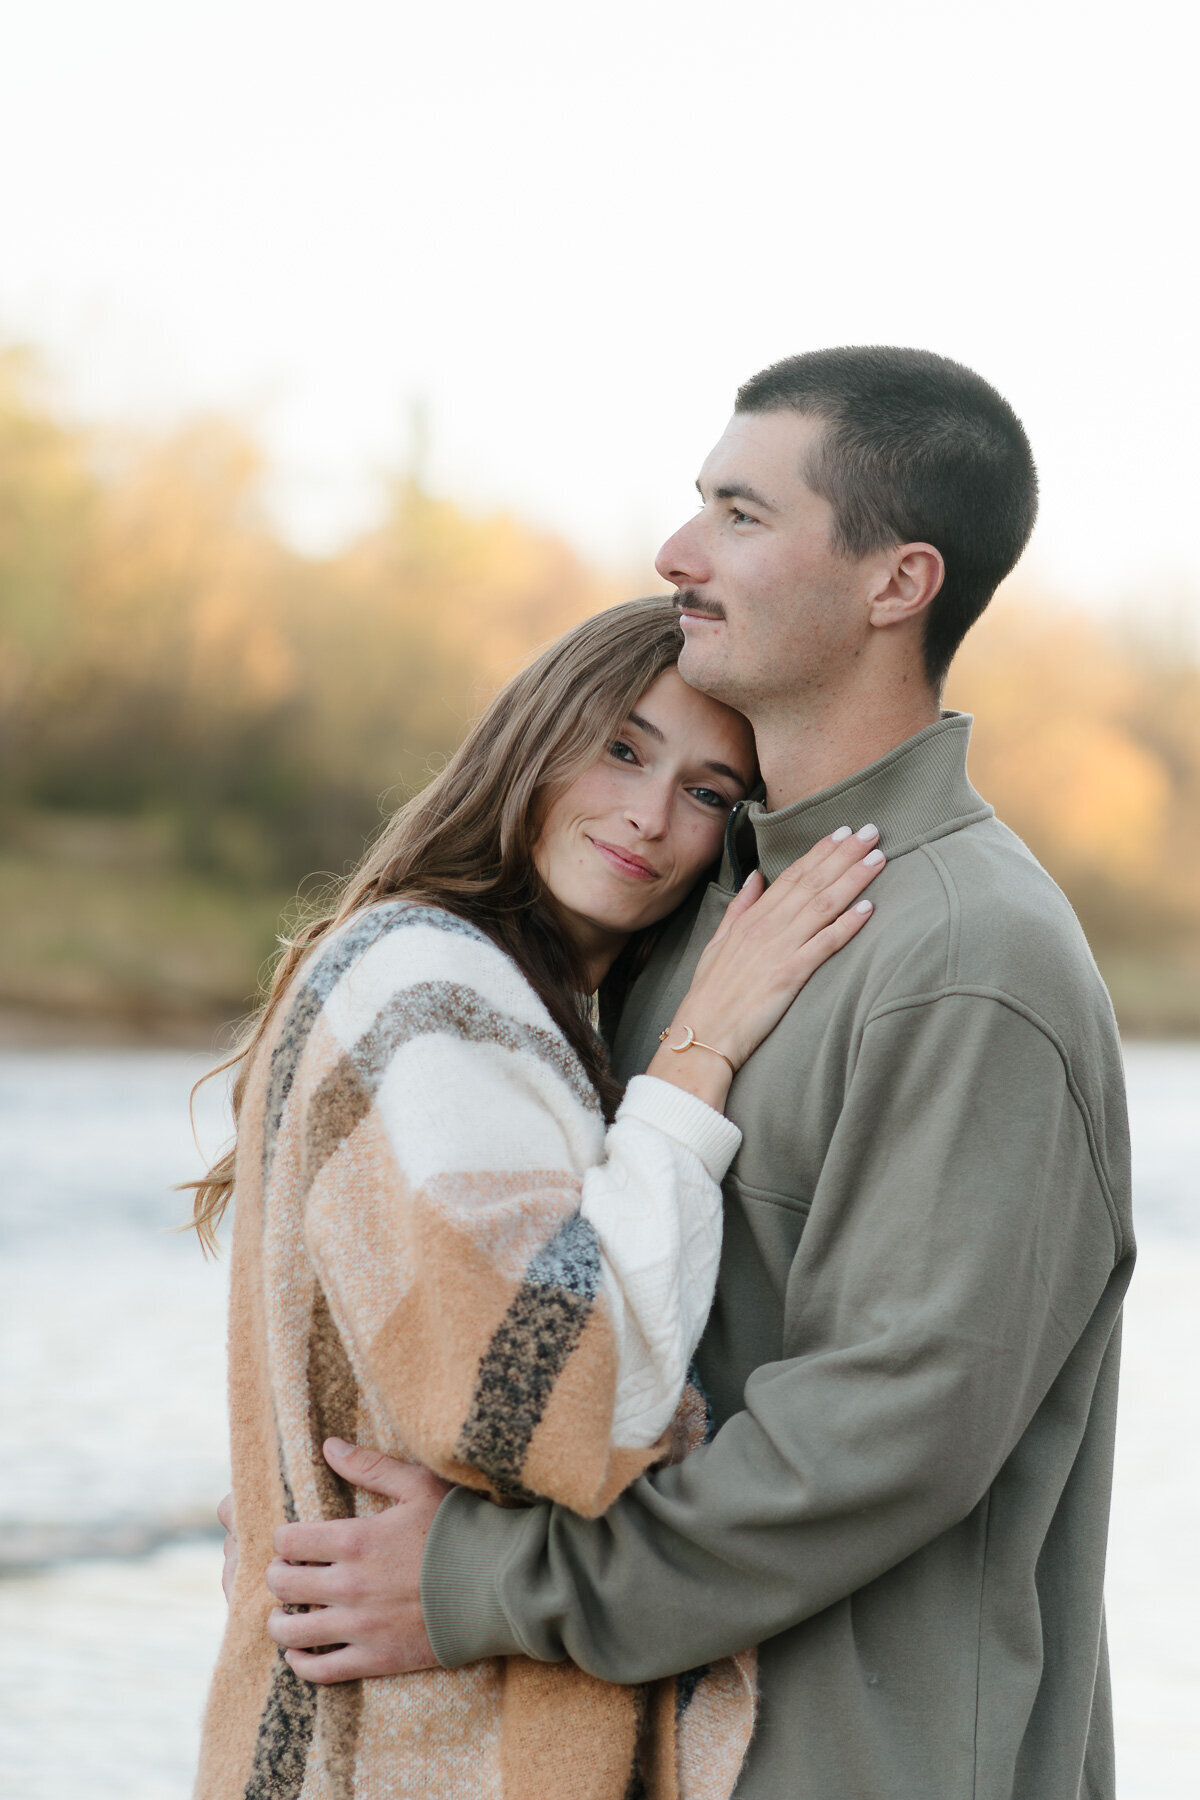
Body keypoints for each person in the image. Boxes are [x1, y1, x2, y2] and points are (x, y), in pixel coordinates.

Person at [258, 348, 1134, 1800]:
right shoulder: (699, 908)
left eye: (740, 513)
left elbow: (887, 1430)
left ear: (894, 584)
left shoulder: (973, 958)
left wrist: (491, 1582)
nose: (677, 554)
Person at [191, 594, 885, 1800]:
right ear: (535, 733)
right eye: (621, 747)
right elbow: (557, 1394)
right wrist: (701, 1056)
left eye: (711, 792)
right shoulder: (432, 980)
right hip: (412, 1748)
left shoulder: (482, 989)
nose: (649, 816)